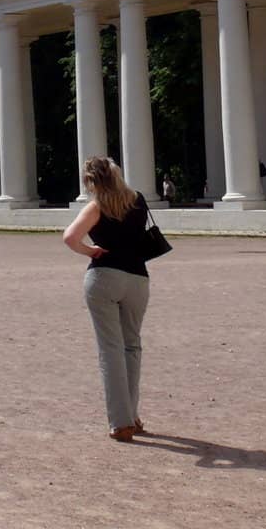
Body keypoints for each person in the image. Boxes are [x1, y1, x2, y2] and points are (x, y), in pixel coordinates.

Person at [63, 156, 153, 443]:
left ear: (90, 181)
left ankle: (121, 422)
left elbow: (70, 238)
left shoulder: (97, 206)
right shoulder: (137, 200)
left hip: (105, 277)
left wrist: (91, 251)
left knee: (111, 351)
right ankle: (133, 416)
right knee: (132, 347)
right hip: (138, 278)